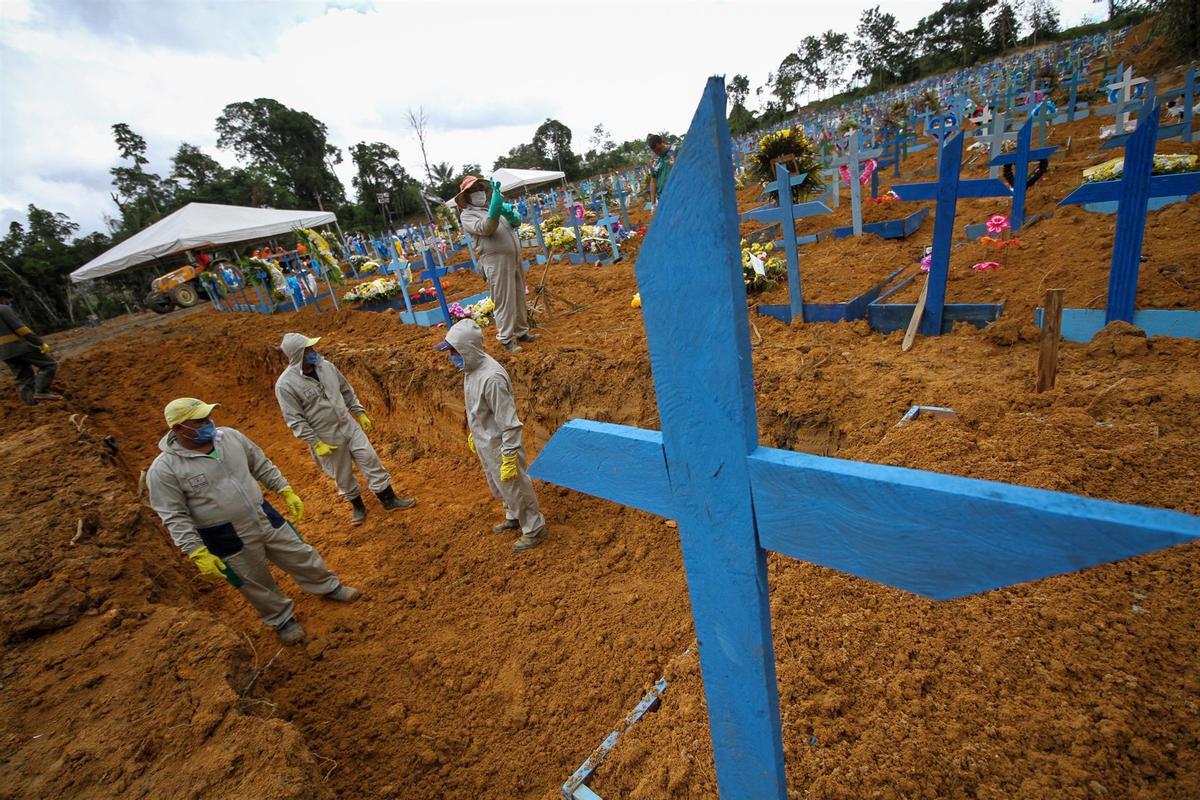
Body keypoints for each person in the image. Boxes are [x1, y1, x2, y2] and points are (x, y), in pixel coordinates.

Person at [147, 397, 358, 645]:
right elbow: (173, 515)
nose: (209, 423)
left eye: (208, 417)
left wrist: (284, 489)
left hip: (261, 513)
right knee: (253, 579)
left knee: (299, 553)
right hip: (224, 535)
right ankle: (281, 619)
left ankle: (327, 586)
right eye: (200, 421)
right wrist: (196, 551)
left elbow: (260, 464)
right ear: (179, 428)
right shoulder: (165, 470)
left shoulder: (230, 438)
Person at [275, 333, 415, 525]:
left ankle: (389, 499)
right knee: (342, 473)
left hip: (347, 423)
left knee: (369, 458)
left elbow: (345, 389)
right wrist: (316, 443)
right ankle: (357, 506)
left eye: (312, 348)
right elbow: (295, 420)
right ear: (297, 354)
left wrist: (359, 413)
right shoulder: (285, 385)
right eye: (307, 350)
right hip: (325, 435)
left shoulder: (326, 366)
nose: (313, 352)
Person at [436, 319, 545, 552]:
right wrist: (473, 433)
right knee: (500, 485)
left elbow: (510, 423)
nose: (451, 356)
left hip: (501, 445)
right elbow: (477, 408)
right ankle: (513, 515)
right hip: (486, 441)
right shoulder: (470, 369)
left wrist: (509, 455)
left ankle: (534, 528)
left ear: (467, 348)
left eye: (454, 351)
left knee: (516, 487)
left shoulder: (491, 378)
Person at [455, 175, 536, 352]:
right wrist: (495, 209)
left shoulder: (490, 208)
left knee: (518, 295)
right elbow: (486, 228)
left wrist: (510, 215)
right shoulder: (468, 215)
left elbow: (514, 223)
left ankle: (521, 331)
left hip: (513, 258)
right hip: (495, 261)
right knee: (503, 299)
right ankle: (506, 338)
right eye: (474, 191)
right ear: (467, 196)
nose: (479, 193)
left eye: (480, 189)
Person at [0, 288, 61, 405]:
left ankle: (32, 406)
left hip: (4, 353)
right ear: (2, 299)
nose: (9, 304)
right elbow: (21, 329)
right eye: (9, 301)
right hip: (18, 347)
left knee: (24, 378)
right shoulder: (3, 309)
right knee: (49, 365)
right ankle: (41, 391)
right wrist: (40, 342)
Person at [646, 133, 677, 204]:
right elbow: (653, 182)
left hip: (677, 195)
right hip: (662, 200)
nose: (658, 153)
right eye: (655, 151)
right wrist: (653, 204)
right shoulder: (655, 161)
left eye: (659, 149)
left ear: (662, 143)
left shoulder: (675, 151)